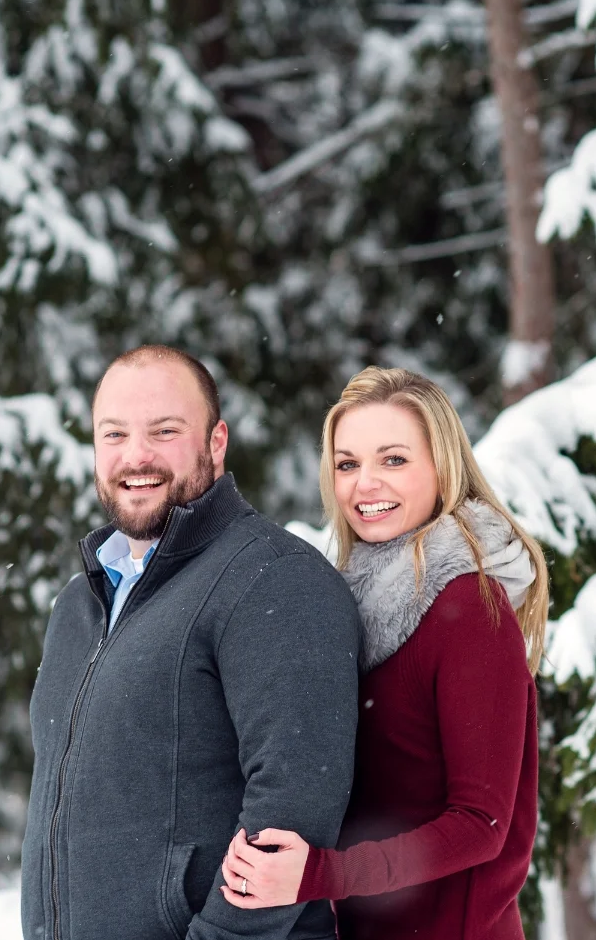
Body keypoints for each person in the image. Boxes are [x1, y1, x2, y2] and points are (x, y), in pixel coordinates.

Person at [21, 345, 361, 940]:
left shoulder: (272, 578)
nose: (136, 456)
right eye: (114, 434)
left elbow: (293, 810)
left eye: (165, 430)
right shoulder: (82, 602)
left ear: (217, 441)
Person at [217, 366, 549, 940]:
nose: (364, 484)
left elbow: (481, 824)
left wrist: (324, 873)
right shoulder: (343, 607)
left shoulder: (469, 605)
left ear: (443, 468)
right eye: (347, 464)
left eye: (393, 460)